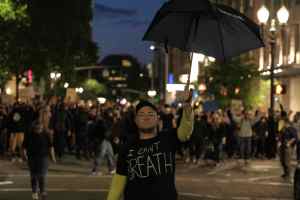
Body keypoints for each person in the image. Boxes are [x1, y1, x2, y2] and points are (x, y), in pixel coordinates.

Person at [106, 92, 194, 200]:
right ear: (136, 120)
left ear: (157, 119)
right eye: (141, 114)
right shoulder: (127, 146)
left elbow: (185, 133)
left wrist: (187, 108)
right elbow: (119, 179)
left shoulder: (168, 138)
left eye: (151, 114)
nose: (146, 117)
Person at [23, 107, 56, 200]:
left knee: (42, 175)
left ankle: (42, 191)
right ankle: (34, 192)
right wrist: (24, 155)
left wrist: (52, 156)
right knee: (34, 175)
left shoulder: (47, 128)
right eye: (48, 112)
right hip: (33, 155)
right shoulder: (34, 126)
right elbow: (25, 144)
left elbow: (51, 145)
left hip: (43, 155)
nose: (50, 114)